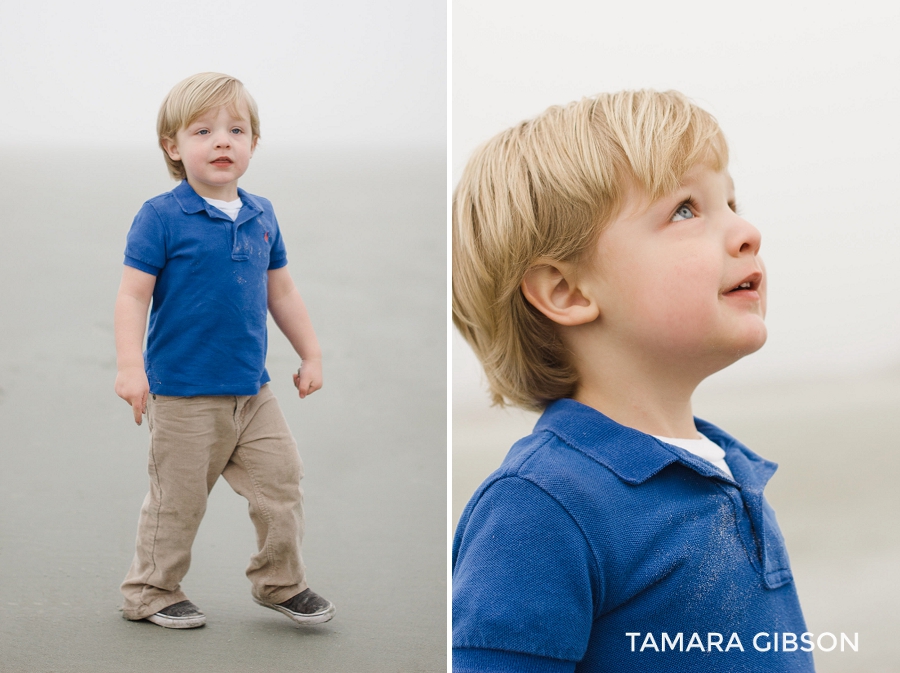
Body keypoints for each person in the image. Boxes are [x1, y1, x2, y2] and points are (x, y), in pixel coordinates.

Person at [452, 90, 813, 671]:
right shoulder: (539, 507)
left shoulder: (724, 469)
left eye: (731, 201)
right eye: (686, 210)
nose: (747, 231)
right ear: (567, 292)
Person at [114, 72, 334, 629]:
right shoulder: (161, 216)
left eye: (237, 130)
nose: (222, 141)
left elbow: (280, 290)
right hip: (185, 394)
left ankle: (280, 582)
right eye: (204, 130)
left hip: (252, 391)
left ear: (253, 144)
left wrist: (311, 353)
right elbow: (133, 295)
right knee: (178, 502)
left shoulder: (261, 214)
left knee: (282, 482)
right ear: (173, 146)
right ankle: (150, 590)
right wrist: (129, 367)